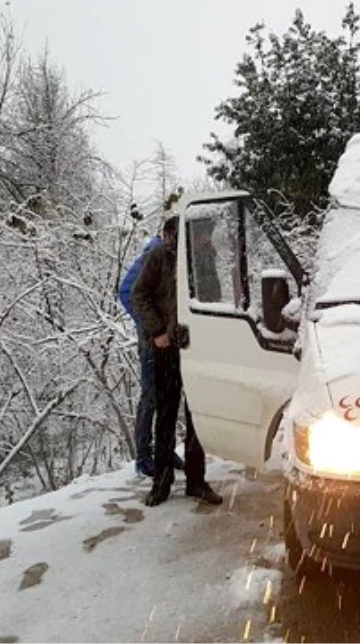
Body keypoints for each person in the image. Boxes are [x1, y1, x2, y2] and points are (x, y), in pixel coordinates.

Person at [131, 215, 224, 507]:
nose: (207, 240)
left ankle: (196, 481)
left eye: (208, 235)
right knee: (166, 415)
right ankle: (162, 482)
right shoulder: (158, 256)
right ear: (181, 235)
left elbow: (213, 295)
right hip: (165, 349)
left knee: (197, 414)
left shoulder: (205, 258)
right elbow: (138, 295)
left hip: (196, 348)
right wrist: (157, 330)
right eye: (202, 235)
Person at [119, 231, 184, 478]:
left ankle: (165, 451)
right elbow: (127, 293)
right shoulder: (154, 253)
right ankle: (144, 458)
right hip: (152, 340)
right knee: (151, 396)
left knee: (168, 397)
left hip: (170, 339)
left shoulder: (178, 255)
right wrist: (151, 328)